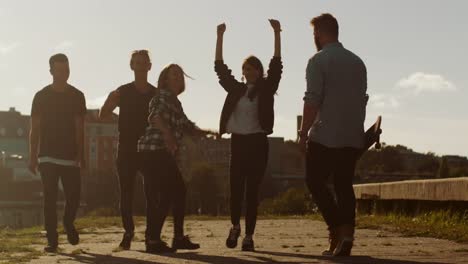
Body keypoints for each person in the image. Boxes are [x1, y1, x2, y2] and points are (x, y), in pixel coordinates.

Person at [298, 13, 368, 256]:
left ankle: (336, 229)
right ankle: (347, 234)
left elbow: (312, 100)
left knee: (315, 181)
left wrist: (303, 132)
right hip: (352, 134)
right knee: (343, 184)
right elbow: (362, 100)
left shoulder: (317, 61)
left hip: (325, 134)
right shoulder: (358, 62)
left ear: (318, 34)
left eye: (314, 33)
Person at [214, 19, 283, 251]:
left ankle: (249, 236)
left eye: (252, 68)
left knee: (252, 191)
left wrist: (276, 33)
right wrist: (220, 36)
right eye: (245, 68)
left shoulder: (267, 89)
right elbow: (220, 69)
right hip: (238, 143)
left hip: (258, 143)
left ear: (259, 71)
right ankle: (235, 227)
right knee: (235, 189)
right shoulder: (236, 89)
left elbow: (277, 66)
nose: (248, 71)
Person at [138, 64, 211, 253]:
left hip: (159, 152)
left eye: (180, 74)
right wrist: (168, 135)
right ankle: (164, 239)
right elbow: (154, 117)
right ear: (165, 79)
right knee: (175, 190)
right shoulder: (162, 96)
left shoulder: (175, 102)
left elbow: (186, 126)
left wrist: (207, 133)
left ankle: (157, 239)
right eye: (174, 74)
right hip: (154, 151)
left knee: (171, 193)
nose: (179, 77)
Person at [99, 50, 157, 250]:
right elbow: (103, 115)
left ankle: (151, 235)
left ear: (150, 66)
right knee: (126, 193)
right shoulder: (122, 91)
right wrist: (108, 101)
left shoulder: (156, 94)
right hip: (126, 149)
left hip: (150, 150)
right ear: (131, 66)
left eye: (144, 63)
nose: (141, 67)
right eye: (137, 63)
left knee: (152, 193)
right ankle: (128, 232)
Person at [29, 53, 86, 252]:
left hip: (70, 156)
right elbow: (34, 128)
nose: (64, 73)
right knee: (49, 198)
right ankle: (52, 240)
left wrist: (81, 154)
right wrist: (32, 156)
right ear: (51, 71)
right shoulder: (41, 96)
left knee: (74, 196)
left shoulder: (77, 95)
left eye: (67, 70)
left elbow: (80, 127)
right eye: (60, 70)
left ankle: (68, 223)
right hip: (47, 156)